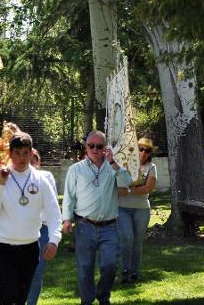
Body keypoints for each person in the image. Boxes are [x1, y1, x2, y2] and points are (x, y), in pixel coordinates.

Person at [0, 133, 62, 305]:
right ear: (10, 153)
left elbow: (54, 211)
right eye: (17, 153)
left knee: (20, 298)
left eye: (25, 153)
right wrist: (1, 185)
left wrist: (54, 240)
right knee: (8, 296)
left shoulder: (41, 179)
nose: (22, 158)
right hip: (1, 247)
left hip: (30, 248)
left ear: (31, 153)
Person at [62, 131, 133, 305]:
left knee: (110, 265)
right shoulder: (75, 169)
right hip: (84, 225)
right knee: (85, 268)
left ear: (105, 148)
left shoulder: (113, 166)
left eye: (99, 146)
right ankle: (87, 301)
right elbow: (69, 197)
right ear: (86, 147)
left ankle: (102, 295)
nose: (94, 149)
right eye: (91, 145)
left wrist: (113, 162)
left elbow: (127, 182)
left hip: (109, 226)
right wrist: (67, 220)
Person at [118, 137, 157, 284]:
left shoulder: (151, 167)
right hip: (123, 208)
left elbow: (148, 188)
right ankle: (125, 270)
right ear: (135, 150)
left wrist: (127, 190)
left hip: (142, 209)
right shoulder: (124, 165)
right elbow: (117, 187)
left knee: (137, 242)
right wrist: (133, 189)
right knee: (127, 238)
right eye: (141, 149)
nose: (143, 153)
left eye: (147, 151)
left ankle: (134, 272)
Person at [27, 149, 58, 305]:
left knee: (37, 270)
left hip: (43, 228)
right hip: (22, 229)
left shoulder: (46, 177)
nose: (31, 163)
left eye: (34, 160)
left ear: (38, 162)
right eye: (28, 159)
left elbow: (52, 208)